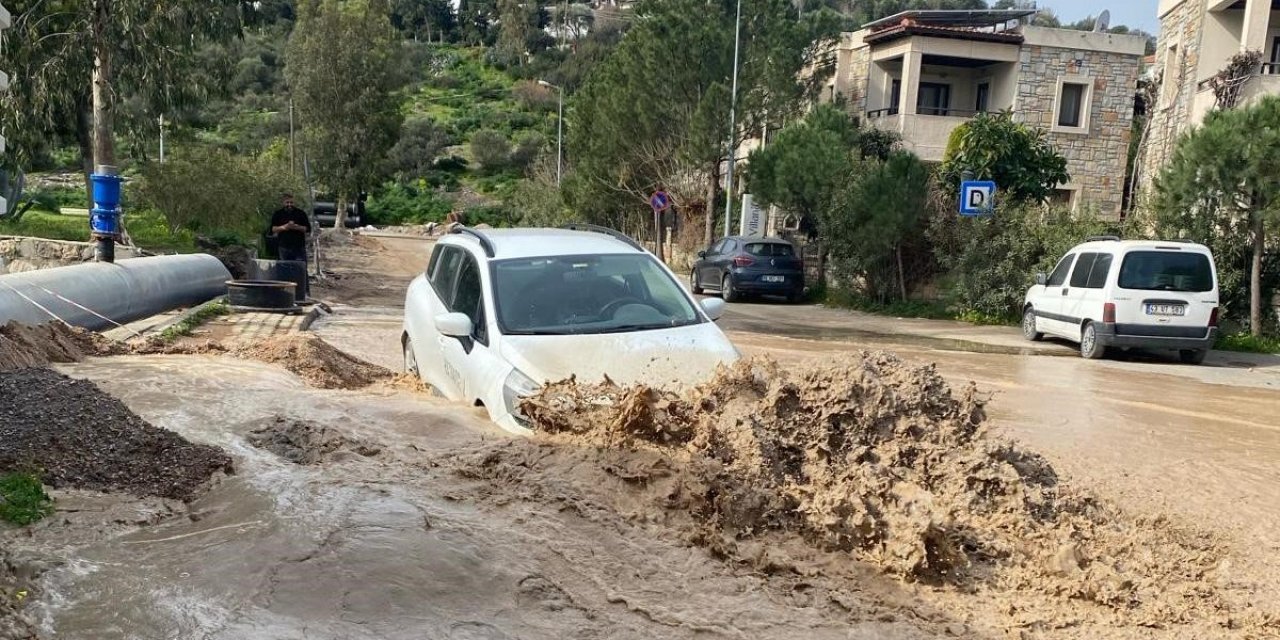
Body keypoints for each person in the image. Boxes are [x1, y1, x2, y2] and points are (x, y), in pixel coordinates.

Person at [270, 194, 312, 263]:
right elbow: (273, 229)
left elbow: (307, 229)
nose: (289, 205)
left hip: (299, 247)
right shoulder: (278, 214)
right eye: (287, 202)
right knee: (285, 269)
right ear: (283, 203)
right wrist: (284, 227)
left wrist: (296, 227)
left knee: (300, 269)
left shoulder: (301, 213)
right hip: (284, 247)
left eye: (291, 202)